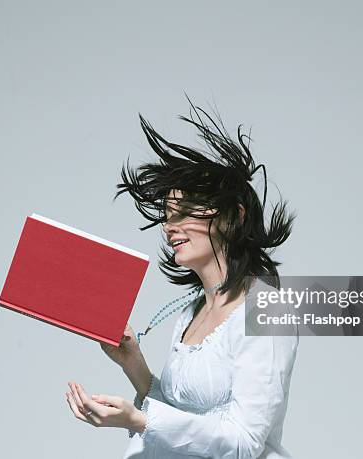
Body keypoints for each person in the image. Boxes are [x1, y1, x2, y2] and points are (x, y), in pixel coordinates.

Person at [65, 99, 299, 458]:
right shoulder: (190, 313)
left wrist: (140, 421)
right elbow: (184, 418)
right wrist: (133, 364)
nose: (171, 228)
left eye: (186, 212)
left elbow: (244, 444)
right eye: (167, 216)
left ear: (234, 216)